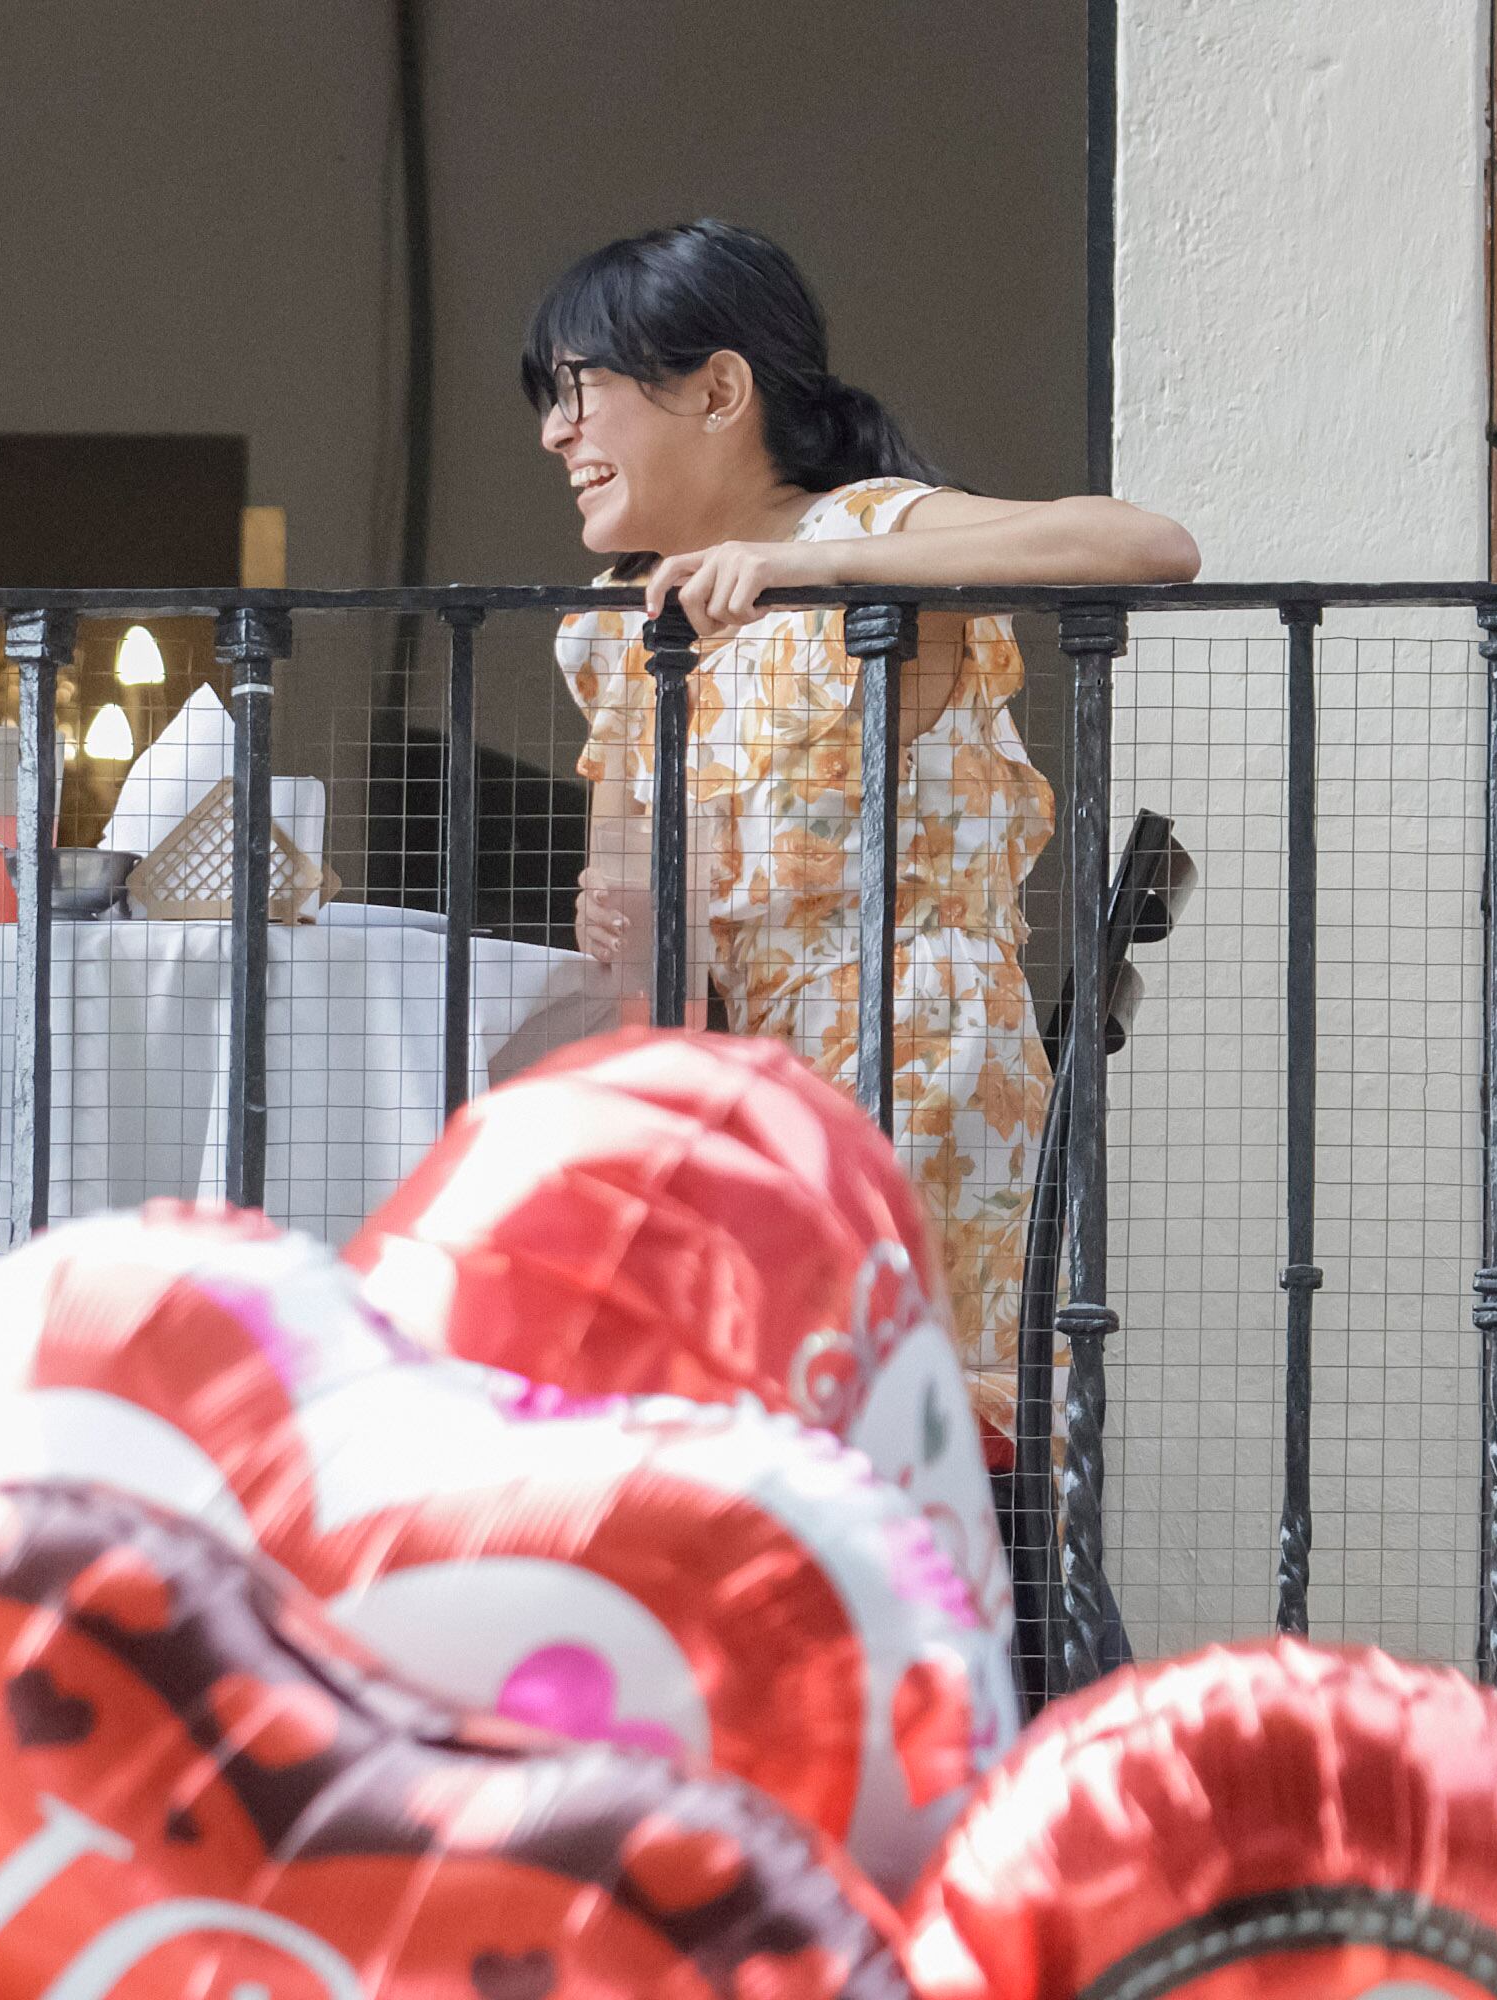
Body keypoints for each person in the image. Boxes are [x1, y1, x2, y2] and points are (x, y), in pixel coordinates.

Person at [525, 220, 1200, 1443]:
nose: (554, 434)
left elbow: (1149, 545)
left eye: (579, 393)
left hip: (916, 1053)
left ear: (717, 391)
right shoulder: (619, 628)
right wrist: (621, 917)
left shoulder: (871, 532)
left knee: (843, 1422)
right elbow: (643, 950)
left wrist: (825, 570)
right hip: (750, 1081)